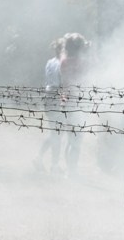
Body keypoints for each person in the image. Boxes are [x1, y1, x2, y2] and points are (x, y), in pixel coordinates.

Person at [34, 32, 90, 175]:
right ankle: (65, 168)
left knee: (56, 133)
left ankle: (43, 159)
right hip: (66, 98)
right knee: (70, 138)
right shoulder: (77, 63)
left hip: (53, 96)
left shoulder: (53, 62)